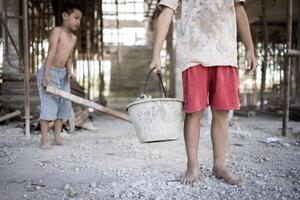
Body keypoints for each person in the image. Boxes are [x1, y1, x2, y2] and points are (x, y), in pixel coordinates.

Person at [149, 0, 257, 186]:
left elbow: (239, 10)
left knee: (222, 111)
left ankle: (219, 165)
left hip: (225, 54)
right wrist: (156, 53)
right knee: (194, 111)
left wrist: (250, 48)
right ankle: (192, 165)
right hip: (193, 54)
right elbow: (166, 12)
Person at [37, 3, 83, 149]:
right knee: (49, 105)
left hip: (62, 74)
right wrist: (45, 75)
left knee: (63, 106)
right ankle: (45, 140)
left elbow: (69, 57)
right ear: (65, 16)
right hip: (49, 71)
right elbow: (51, 53)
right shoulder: (57, 31)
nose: (78, 21)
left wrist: (70, 71)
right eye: (76, 18)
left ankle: (57, 137)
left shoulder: (74, 38)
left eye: (80, 19)